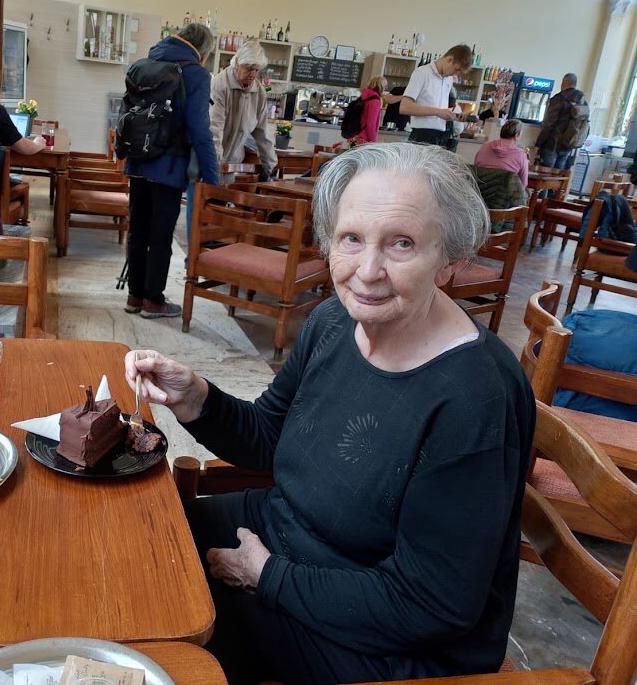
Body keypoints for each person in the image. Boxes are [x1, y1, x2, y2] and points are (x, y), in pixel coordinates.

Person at [125, 142, 535, 684]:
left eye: (402, 243)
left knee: (157, 645)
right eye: (351, 239)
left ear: (450, 260)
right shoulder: (335, 322)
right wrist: (197, 397)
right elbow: (270, 437)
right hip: (286, 536)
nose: (367, 271)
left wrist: (266, 575)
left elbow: (431, 604)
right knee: (134, 544)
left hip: (384, 637)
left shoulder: (475, 399)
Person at [125, 23, 220, 319]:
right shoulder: (195, 73)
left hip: (137, 161)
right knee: (160, 235)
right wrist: (212, 176)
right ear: (203, 53)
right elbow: (200, 129)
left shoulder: (145, 63)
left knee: (138, 231)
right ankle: (153, 300)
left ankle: (134, 295)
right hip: (169, 166)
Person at [185, 40, 277, 245]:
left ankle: (212, 255)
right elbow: (214, 130)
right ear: (236, 64)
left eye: (256, 70)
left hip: (230, 162)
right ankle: (191, 257)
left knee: (219, 216)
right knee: (199, 211)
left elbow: (263, 131)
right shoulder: (219, 85)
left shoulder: (258, 92)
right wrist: (215, 166)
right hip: (207, 158)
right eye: (248, 68)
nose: (252, 74)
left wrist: (270, 165)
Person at [400, 45, 474, 147]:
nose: (455, 74)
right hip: (421, 136)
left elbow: (439, 113)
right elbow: (404, 107)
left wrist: (455, 116)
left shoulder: (448, 80)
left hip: (441, 136)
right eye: (456, 69)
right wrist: (438, 112)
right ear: (449, 59)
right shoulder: (422, 73)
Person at [535, 73, 589, 169]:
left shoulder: (558, 99)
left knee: (544, 174)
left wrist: (539, 143)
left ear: (563, 83)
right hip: (569, 145)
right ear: (575, 84)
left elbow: (549, 124)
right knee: (559, 174)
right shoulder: (582, 101)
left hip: (553, 144)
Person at [474, 118, 529, 186]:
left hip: (479, 190)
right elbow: (523, 184)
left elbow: (476, 167)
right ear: (516, 135)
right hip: (504, 192)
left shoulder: (485, 146)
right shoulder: (521, 155)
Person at [353, 75, 385, 143]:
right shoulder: (375, 101)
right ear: (381, 87)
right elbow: (371, 123)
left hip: (357, 134)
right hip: (365, 137)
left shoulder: (365, 97)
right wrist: (373, 140)